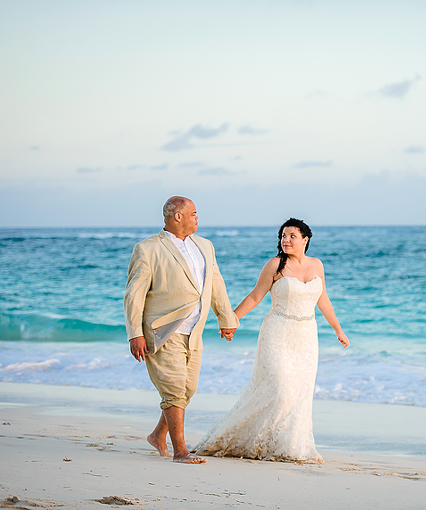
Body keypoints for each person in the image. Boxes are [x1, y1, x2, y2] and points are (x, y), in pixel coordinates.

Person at [192, 218, 349, 463]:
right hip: (277, 333)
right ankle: (247, 439)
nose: (286, 240)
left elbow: (323, 300)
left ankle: (289, 446)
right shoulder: (275, 265)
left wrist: (338, 330)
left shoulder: (317, 265)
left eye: (292, 236)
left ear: (305, 239)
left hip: (307, 336)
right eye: (283, 236)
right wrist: (231, 320)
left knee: (299, 393)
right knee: (281, 389)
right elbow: (255, 296)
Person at [124, 196, 239, 464]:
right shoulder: (147, 249)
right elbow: (134, 295)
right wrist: (135, 333)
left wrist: (226, 317)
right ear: (178, 217)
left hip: (195, 330)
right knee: (174, 389)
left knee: (188, 389)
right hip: (163, 329)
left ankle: (157, 435)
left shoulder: (205, 246)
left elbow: (216, 282)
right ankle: (181, 451)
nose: (198, 218)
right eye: (194, 213)